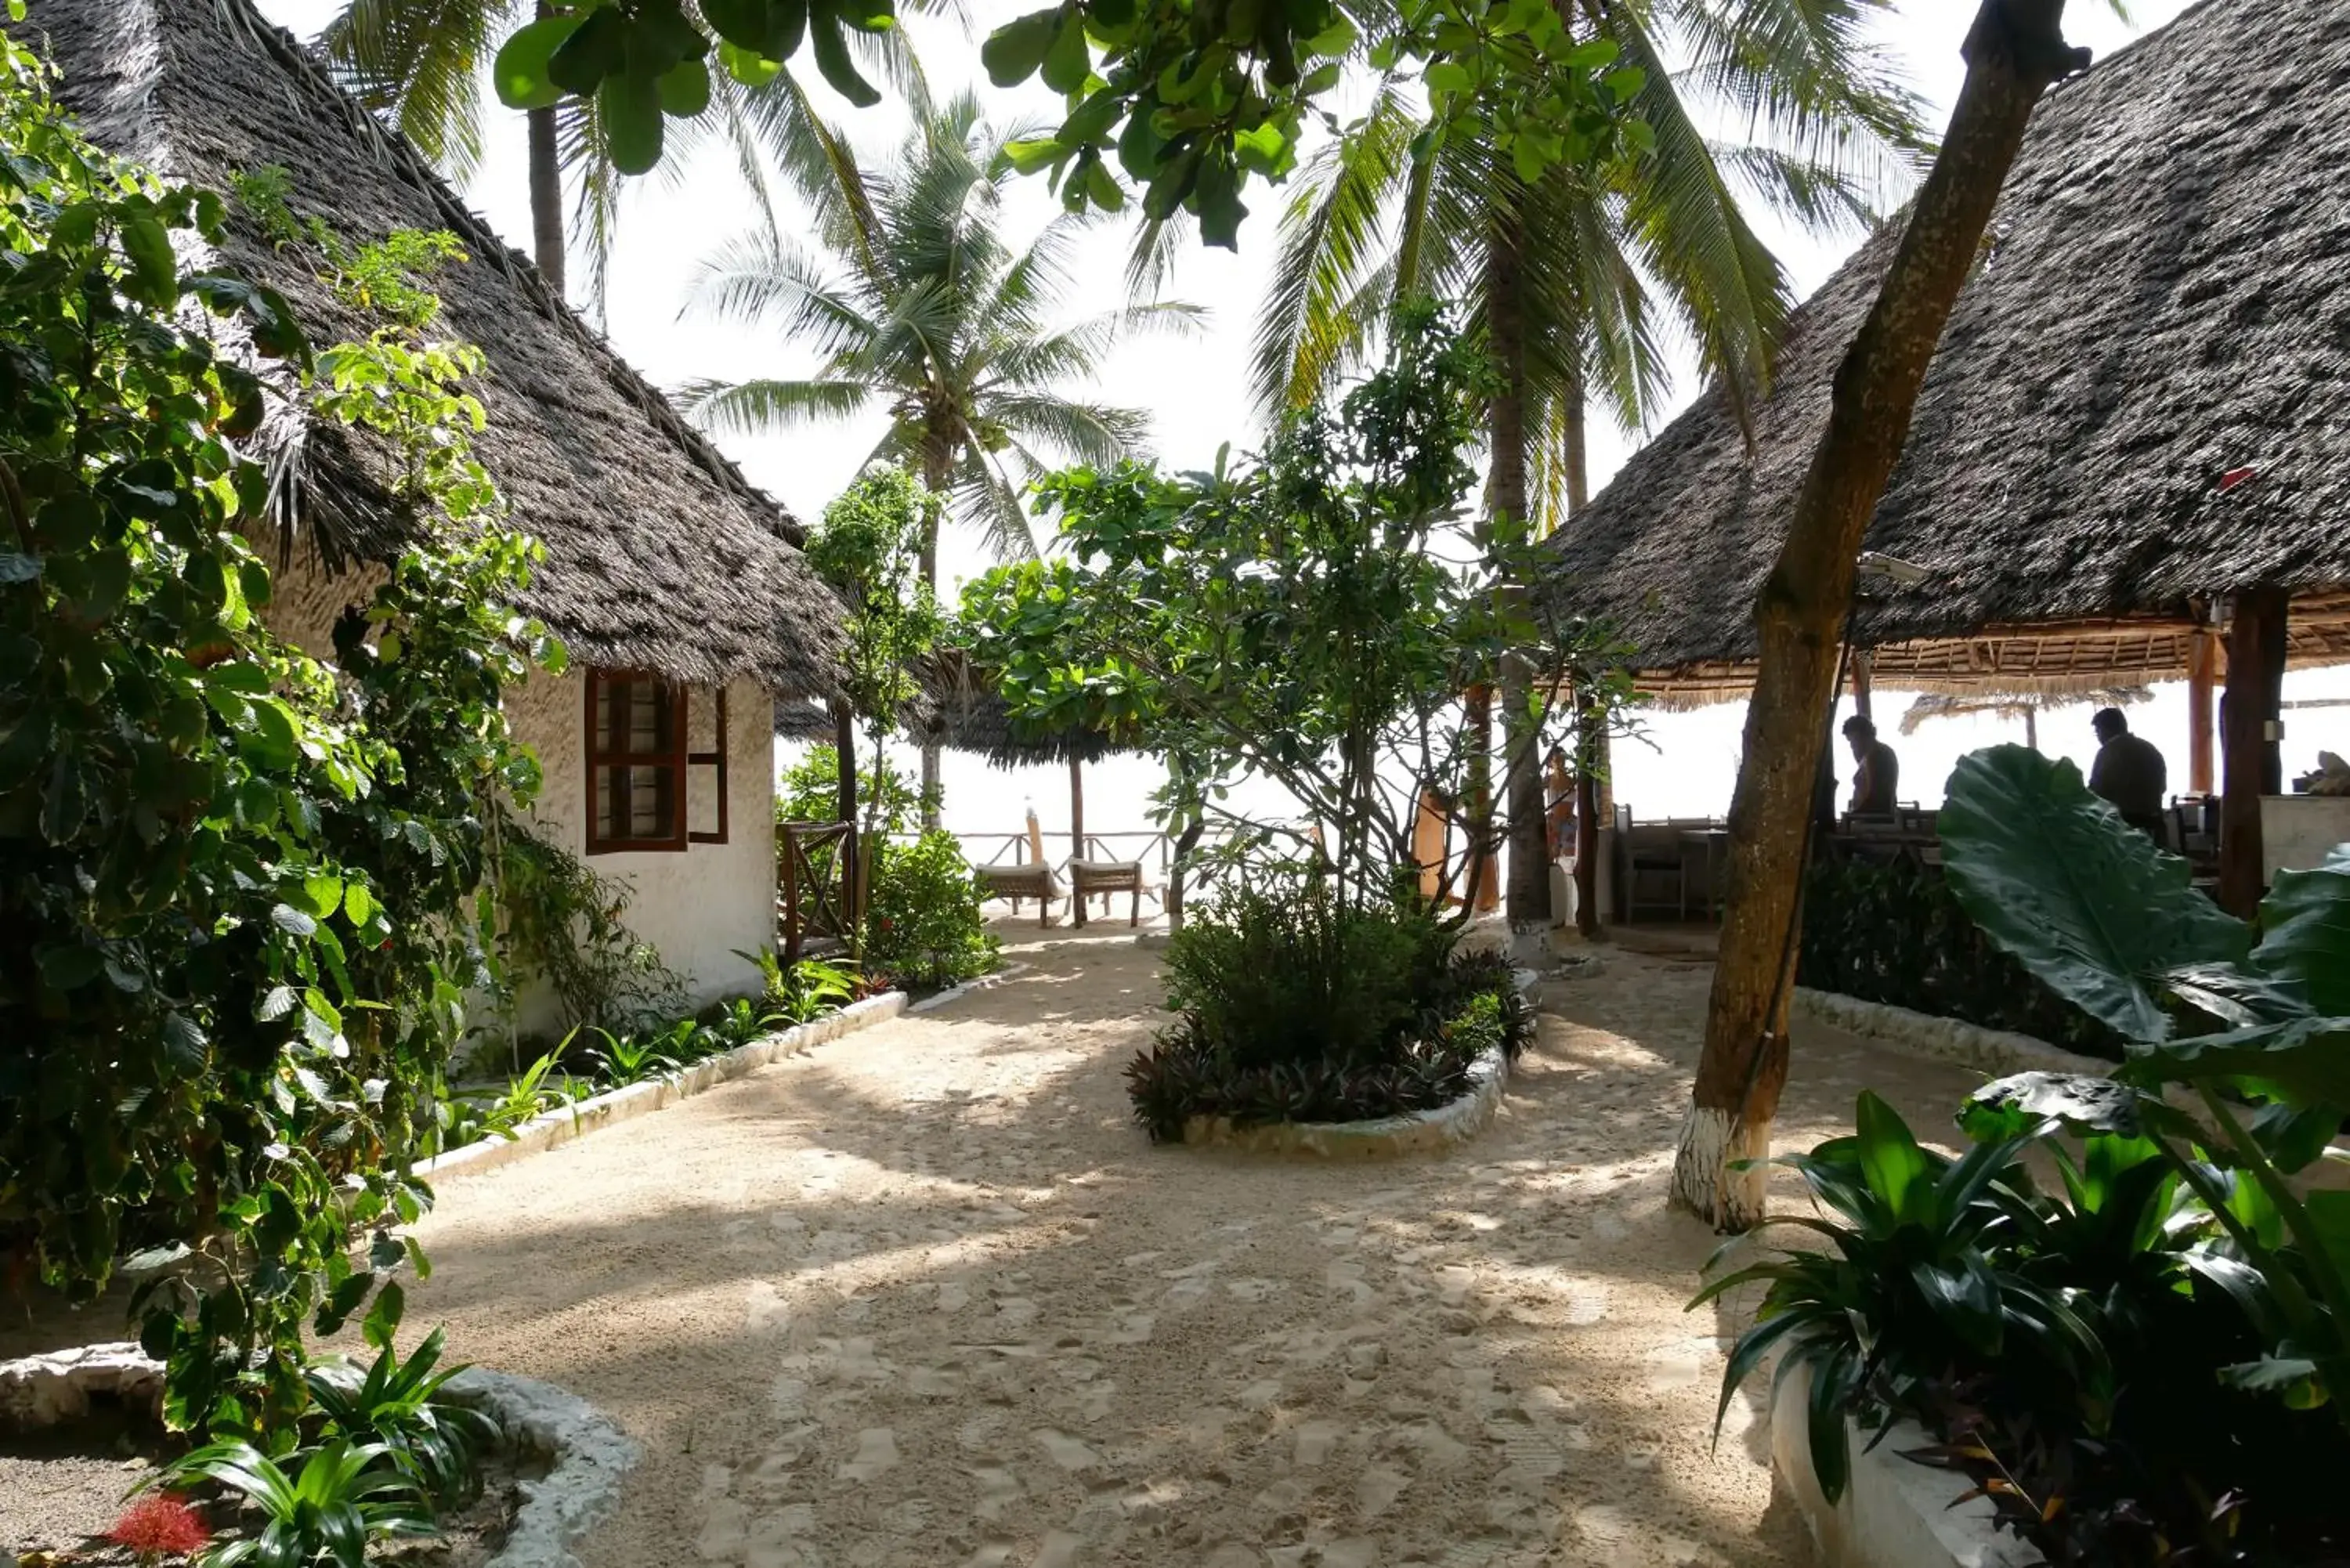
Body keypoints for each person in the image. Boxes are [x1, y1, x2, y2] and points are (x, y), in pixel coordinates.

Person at [2089, 706, 2168, 840]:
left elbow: (2097, 792)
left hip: (2124, 826)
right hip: (2154, 822)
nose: (2098, 738)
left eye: (2098, 733)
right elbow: (2163, 788)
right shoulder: (2149, 748)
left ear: (2105, 730)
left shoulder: (2108, 752)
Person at [1843, 714, 1899, 817]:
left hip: (1873, 819)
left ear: (1863, 736)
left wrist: (1853, 815)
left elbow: (1873, 795)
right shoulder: (1877, 752)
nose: (1852, 746)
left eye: (1853, 740)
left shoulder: (1876, 755)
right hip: (1871, 817)